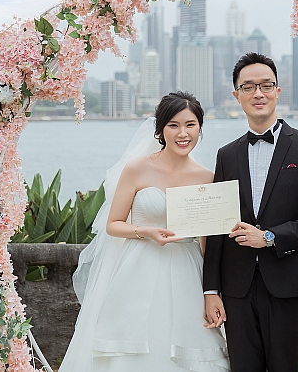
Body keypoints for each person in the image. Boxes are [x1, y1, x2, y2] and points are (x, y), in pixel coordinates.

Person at [59, 92, 230, 372]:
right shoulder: (137, 168)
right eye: (174, 125)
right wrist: (146, 232)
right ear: (160, 130)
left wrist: (212, 291)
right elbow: (113, 224)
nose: (183, 133)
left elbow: (206, 243)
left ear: (200, 128)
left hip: (187, 271)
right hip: (139, 268)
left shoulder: (207, 178)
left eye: (190, 125)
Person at [203, 53, 298, 372]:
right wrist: (211, 290)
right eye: (248, 87)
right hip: (237, 287)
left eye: (266, 85)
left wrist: (270, 237)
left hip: (289, 283)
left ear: (278, 91)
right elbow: (217, 226)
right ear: (236, 95)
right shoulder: (226, 155)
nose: (258, 93)